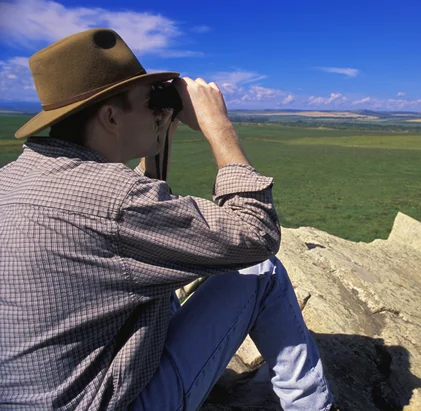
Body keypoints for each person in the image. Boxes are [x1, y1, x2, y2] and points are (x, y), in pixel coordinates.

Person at [0, 28, 333, 411]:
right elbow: (256, 234)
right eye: (149, 102)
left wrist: (160, 131)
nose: (159, 110)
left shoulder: (11, 177)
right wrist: (217, 125)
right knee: (262, 272)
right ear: (110, 116)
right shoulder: (115, 201)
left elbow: (135, 232)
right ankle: (313, 406)